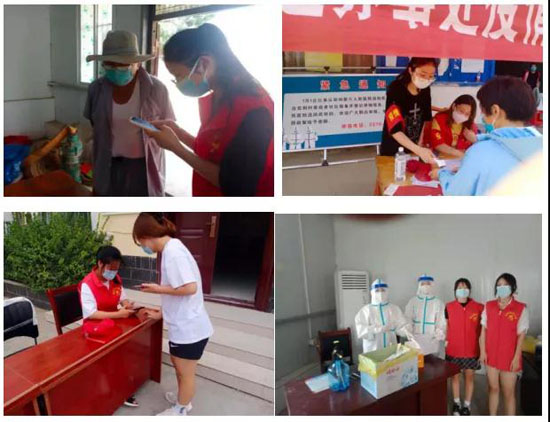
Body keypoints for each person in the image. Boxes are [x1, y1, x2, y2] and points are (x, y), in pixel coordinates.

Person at [145, 24, 274, 196]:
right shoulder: (218, 96)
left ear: (204, 63)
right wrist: (178, 132)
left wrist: (176, 148)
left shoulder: (255, 110)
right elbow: (212, 151)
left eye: (179, 76)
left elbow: (235, 184)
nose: (178, 83)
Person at [132, 212, 214, 416]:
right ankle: (182, 400)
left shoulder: (173, 253)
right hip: (186, 324)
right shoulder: (172, 248)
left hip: (189, 329)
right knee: (179, 367)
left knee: (185, 373)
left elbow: (190, 288)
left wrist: (157, 289)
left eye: (140, 243)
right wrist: (161, 313)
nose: (143, 247)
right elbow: (178, 292)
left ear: (146, 236)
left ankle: (180, 410)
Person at [85, 30, 175, 196]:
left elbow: (168, 127)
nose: (115, 70)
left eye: (122, 65)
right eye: (109, 65)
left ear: (137, 64)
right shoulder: (96, 89)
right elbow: (94, 123)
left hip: (143, 167)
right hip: (107, 164)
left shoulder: (157, 89)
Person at [433, 76, 541, 195]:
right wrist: (470, 170)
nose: (483, 118)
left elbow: (455, 193)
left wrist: (442, 174)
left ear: (495, 111)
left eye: (483, 112)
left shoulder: (479, 152)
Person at [78, 245, 139, 408]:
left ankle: (121, 382)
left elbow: (122, 297)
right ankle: (116, 388)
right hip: (95, 328)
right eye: (111, 269)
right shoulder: (87, 284)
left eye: (116, 269)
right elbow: (91, 314)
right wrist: (119, 314)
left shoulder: (115, 279)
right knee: (118, 350)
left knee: (131, 341)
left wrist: (127, 305)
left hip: (113, 323)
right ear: (100, 264)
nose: (114, 272)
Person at [479, 273, 528, 416]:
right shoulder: (489, 306)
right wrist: (482, 351)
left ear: (513, 287)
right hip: (491, 356)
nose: (502, 287)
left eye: (505, 285)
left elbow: (521, 337)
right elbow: (483, 332)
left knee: (509, 393)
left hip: (509, 357)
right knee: (493, 388)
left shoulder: (521, 308)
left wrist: (516, 358)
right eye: (499, 285)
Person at [380, 57, 438, 164]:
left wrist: (420, 144)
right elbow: (394, 129)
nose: (426, 79)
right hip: (394, 148)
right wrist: (418, 149)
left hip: (415, 147)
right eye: (423, 75)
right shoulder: (396, 89)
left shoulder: (425, 89)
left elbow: (426, 118)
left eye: (431, 76)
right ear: (411, 70)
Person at [445, 278, 484, 416]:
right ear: (455, 291)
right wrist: (445, 342)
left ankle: (467, 405)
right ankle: (457, 403)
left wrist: (482, 350)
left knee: (469, 377)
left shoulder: (479, 307)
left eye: (465, 287)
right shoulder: (448, 307)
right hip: (453, 350)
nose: (462, 289)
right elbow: (446, 326)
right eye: (459, 287)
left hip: (472, 350)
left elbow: (483, 331)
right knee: (455, 378)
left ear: (469, 290)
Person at [354, 279, 411, 353]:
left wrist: (406, 330)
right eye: (377, 290)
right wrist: (377, 329)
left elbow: (400, 326)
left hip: (390, 344)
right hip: (373, 348)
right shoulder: (366, 310)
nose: (380, 293)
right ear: (372, 292)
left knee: (391, 359)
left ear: (387, 291)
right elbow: (361, 330)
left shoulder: (394, 308)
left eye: (383, 290)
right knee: (375, 359)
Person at [404, 274, 446, 355]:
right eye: (423, 284)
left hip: (432, 339)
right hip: (416, 338)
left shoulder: (438, 302)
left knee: (432, 361)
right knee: (417, 361)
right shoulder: (413, 301)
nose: (425, 286)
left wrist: (438, 334)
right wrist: (408, 331)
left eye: (428, 283)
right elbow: (408, 318)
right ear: (419, 285)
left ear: (432, 285)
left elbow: (441, 321)